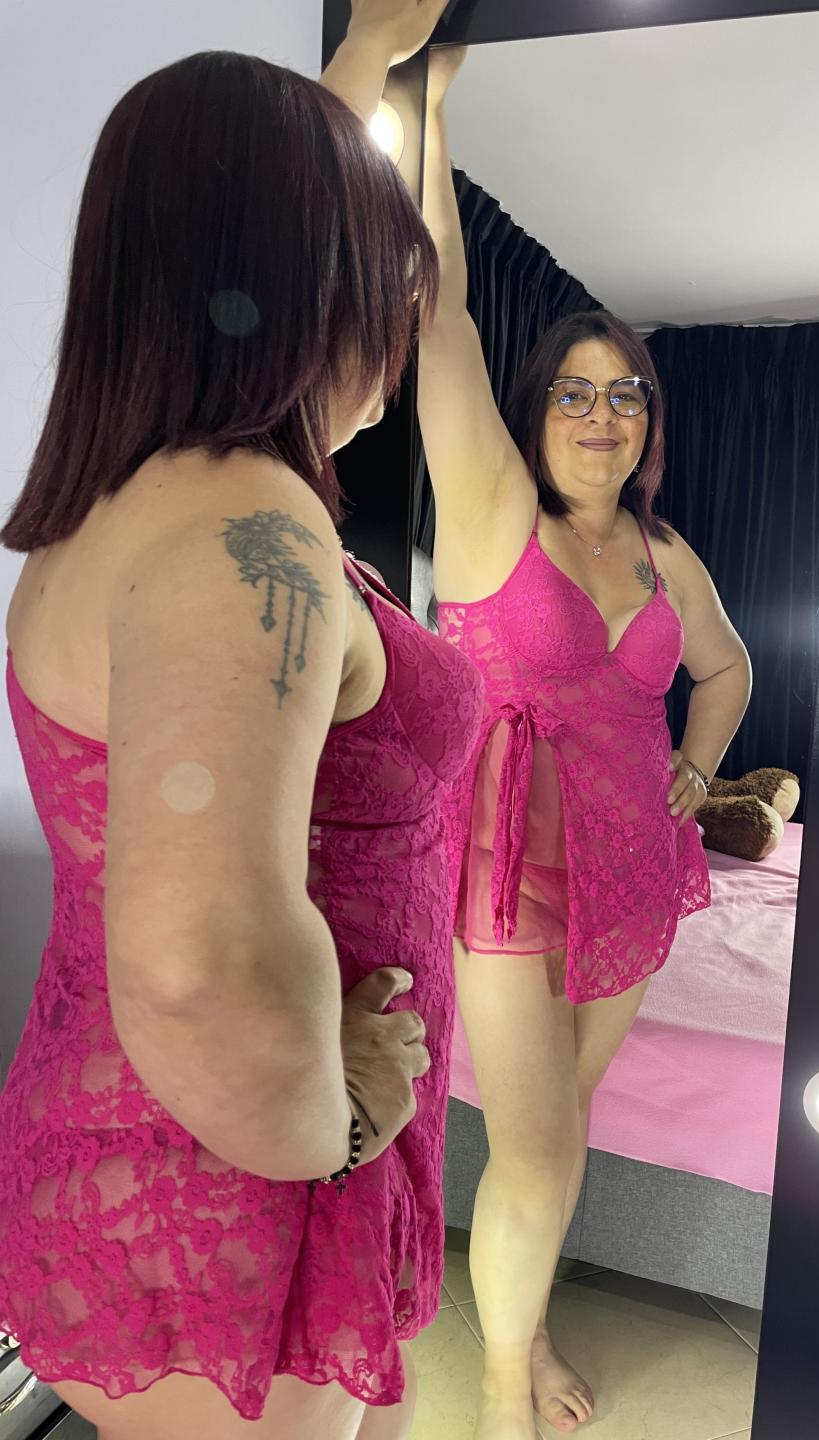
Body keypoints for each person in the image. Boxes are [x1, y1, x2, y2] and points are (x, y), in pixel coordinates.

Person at [0, 4, 471, 1439]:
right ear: (308, 277)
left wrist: (364, 63)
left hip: (179, 1140)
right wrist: (336, 1125)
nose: (401, 325)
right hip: (238, 1179)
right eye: (385, 278)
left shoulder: (126, 511)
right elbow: (197, 965)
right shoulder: (237, 527)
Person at [418, 48, 754, 1440]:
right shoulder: (494, 512)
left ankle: (529, 1319)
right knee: (540, 1135)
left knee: (570, 1114)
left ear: (648, 424)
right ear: (535, 408)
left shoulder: (670, 555)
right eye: (575, 391)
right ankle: (505, 1382)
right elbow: (440, 318)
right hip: (505, 868)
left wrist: (695, 771)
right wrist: (426, 118)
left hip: (636, 865)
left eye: (626, 395)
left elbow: (727, 670)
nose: (602, 416)